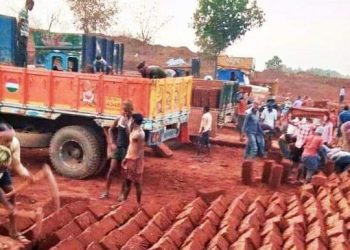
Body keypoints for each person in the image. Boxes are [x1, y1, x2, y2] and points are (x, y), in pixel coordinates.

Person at [0, 123, 33, 243]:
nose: (10, 143)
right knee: (6, 202)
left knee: (11, 194)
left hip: (2, 169)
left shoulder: (13, 143)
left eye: (11, 139)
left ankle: (13, 232)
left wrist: (27, 175)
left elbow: (16, 165)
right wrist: (6, 205)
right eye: (6, 140)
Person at [100, 101, 133, 199]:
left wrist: (127, 125)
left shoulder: (132, 122)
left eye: (125, 110)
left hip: (127, 149)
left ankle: (122, 194)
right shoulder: (119, 119)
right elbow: (110, 129)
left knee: (124, 173)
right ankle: (106, 191)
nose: (123, 112)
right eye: (122, 110)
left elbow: (131, 136)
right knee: (112, 170)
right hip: (117, 148)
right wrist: (111, 143)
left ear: (129, 110)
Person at [117, 113, 145, 205]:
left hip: (135, 160)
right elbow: (131, 143)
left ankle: (136, 203)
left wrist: (133, 161)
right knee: (129, 182)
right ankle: (127, 201)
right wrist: (126, 158)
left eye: (131, 120)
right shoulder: (136, 131)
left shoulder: (139, 134)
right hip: (131, 159)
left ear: (133, 121)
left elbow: (138, 150)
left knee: (135, 183)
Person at [15, 0, 34, 67]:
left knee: (23, 50)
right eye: (32, 5)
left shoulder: (25, 11)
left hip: (24, 34)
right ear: (29, 4)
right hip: (22, 34)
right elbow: (20, 22)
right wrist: (18, 33)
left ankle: (22, 65)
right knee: (22, 51)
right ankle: (21, 66)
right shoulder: (24, 11)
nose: (32, 7)